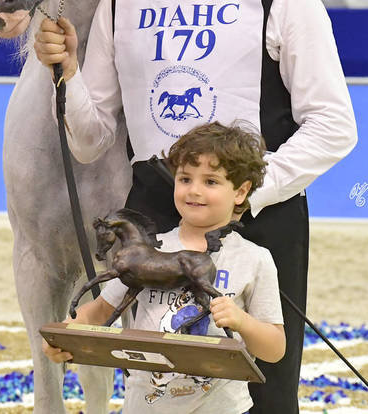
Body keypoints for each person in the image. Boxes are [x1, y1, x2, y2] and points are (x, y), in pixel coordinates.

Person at [33, 0, 357, 413]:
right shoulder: (121, 0)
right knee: (156, 383)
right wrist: (69, 73)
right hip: (154, 211)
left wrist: (246, 194)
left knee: (264, 389)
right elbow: (91, 140)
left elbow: (333, 124)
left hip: (259, 218)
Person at [43, 122, 285, 412]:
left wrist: (242, 321)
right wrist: (65, 335)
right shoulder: (145, 253)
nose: (194, 190)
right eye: (185, 179)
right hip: (145, 406)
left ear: (240, 192)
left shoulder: (254, 259)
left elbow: (274, 349)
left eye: (210, 181)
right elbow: (100, 311)